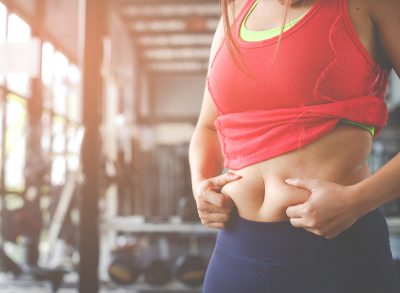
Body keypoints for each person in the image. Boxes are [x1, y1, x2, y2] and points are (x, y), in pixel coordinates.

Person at [188, 0, 400, 292]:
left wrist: (356, 202)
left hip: (336, 254)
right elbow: (208, 125)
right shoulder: (236, 11)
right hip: (236, 250)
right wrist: (200, 183)